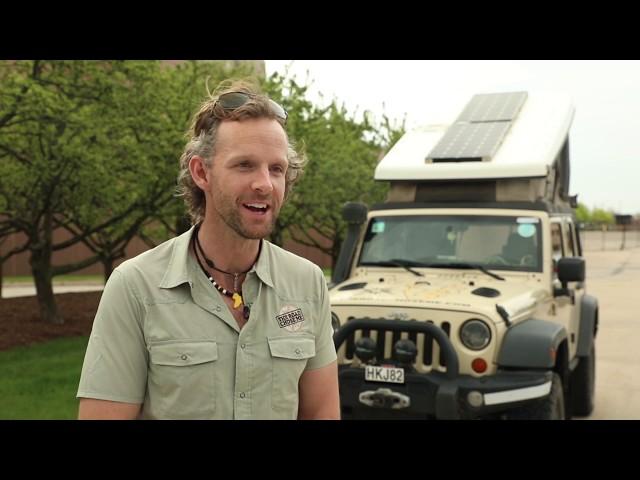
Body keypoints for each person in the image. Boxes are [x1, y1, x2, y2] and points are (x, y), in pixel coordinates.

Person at [77, 80, 340, 420]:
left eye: (277, 169)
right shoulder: (135, 287)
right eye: (244, 165)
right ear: (201, 172)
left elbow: (322, 412)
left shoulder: (308, 283)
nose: (265, 184)